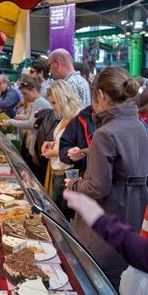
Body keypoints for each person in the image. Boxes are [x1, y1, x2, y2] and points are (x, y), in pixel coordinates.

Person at [66, 66, 148, 288]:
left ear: (100, 95)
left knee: (93, 279)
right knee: (113, 280)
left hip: (105, 219)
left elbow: (97, 187)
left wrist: (73, 185)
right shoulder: (139, 125)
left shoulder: (105, 132)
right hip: (133, 214)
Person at [41, 81, 82, 217]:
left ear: (63, 98)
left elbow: (79, 149)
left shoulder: (77, 117)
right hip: (58, 172)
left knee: (59, 216)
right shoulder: (66, 116)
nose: (52, 107)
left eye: (54, 103)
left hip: (67, 174)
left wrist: (54, 151)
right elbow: (64, 142)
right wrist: (50, 143)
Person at [3, 76, 51, 179]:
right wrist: (23, 117)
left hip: (38, 144)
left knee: (36, 175)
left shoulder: (40, 102)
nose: (24, 97)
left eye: (25, 93)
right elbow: (34, 119)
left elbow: (32, 124)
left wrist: (11, 122)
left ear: (33, 91)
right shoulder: (35, 102)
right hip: (34, 143)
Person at [59, 101, 95, 176]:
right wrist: (69, 153)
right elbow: (63, 147)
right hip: (86, 176)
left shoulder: (119, 121)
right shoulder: (79, 119)